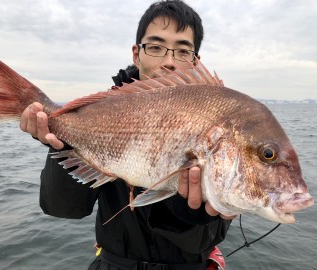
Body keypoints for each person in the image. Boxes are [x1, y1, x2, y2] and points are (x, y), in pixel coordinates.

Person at [20, 1, 234, 269]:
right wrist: (62, 144)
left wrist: (187, 215)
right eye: (155, 47)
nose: (168, 61)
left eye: (182, 51)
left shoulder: (218, 118)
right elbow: (63, 209)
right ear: (137, 54)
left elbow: (204, 241)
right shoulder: (102, 114)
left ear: (195, 61)